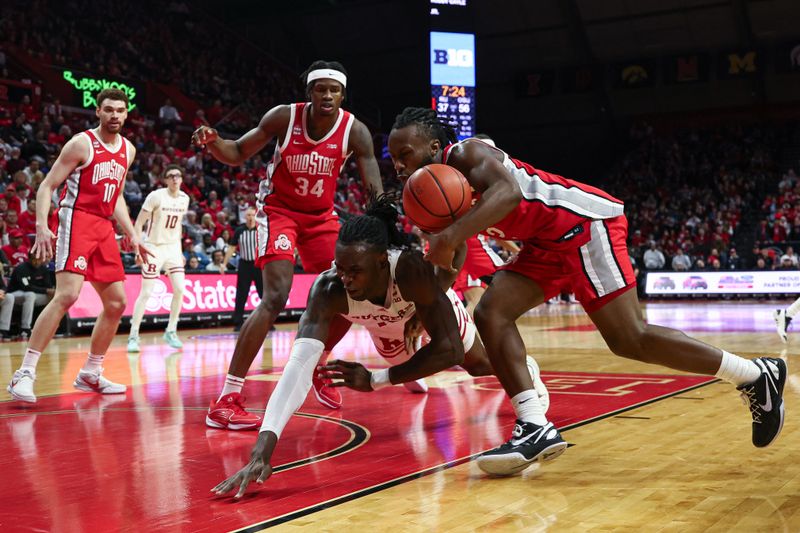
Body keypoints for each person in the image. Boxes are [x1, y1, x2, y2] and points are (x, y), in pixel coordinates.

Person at [386, 107, 786, 475]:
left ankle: (753, 375)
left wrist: (451, 234)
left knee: (630, 340)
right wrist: (427, 311)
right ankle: (534, 425)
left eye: (405, 153)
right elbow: (448, 260)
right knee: (490, 313)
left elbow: (506, 191)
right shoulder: (430, 197)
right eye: (395, 159)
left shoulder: (466, 155)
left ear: (434, 147)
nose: (399, 165)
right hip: (543, 244)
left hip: (583, 224)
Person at [209, 196, 552, 497]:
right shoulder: (328, 289)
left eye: (353, 271)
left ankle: (525, 369)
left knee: (475, 364)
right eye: (339, 268)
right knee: (408, 366)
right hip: (383, 326)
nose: (344, 278)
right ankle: (411, 366)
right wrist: (262, 451)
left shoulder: (411, 270)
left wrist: (376, 379)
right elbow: (297, 370)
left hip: (422, 309)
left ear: (380, 262)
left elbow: (450, 350)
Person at [193, 60, 383, 429]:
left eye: (334, 90)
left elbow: (372, 188)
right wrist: (213, 142)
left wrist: (382, 217)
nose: (327, 95)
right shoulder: (284, 117)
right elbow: (235, 153)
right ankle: (226, 398)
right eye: (320, 88)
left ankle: (318, 360)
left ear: (343, 95)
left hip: (321, 217)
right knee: (275, 296)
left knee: (353, 290)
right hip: (277, 211)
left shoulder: (355, 131)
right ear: (308, 92)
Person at [6, 88, 151, 404]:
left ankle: (91, 372)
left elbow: (117, 199)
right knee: (68, 295)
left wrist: (133, 235)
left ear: (127, 115)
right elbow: (47, 186)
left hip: (103, 225)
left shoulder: (128, 150)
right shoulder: (81, 143)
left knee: (116, 303)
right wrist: (43, 226)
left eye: (120, 110)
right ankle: (25, 373)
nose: (114, 115)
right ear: (98, 111)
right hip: (76, 218)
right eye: (108, 109)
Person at [127, 164, 190, 352]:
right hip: (153, 248)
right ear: (165, 180)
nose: (174, 179)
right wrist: (138, 250)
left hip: (173, 249)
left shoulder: (184, 199)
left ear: (181, 178)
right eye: (170, 176)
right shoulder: (155, 196)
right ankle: (133, 335)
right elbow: (138, 225)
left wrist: (179, 252)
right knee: (146, 293)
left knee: (180, 289)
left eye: (177, 175)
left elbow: (177, 227)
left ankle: (171, 330)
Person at [221, 207, 262, 331]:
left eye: (252, 215)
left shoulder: (261, 230)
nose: (250, 217)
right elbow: (232, 248)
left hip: (258, 264)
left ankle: (268, 322)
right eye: (248, 215)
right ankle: (238, 322)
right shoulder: (239, 231)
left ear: (256, 216)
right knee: (241, 294)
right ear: (245, 217)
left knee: (263, 294)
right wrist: (224, 263)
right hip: (244, 265)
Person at [7, 251, 54, 339]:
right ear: (29, 259)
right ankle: (25, 328)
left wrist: (51, 291)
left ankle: (53, 327)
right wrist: (46, 290)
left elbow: (48, 286)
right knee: (30, 295)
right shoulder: (21, 268)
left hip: (35, 295)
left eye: (39, 259)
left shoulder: (43, 269)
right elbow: (26, 287)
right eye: (34, 260)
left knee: (56, 298)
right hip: (15, 294)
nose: (36, 262)